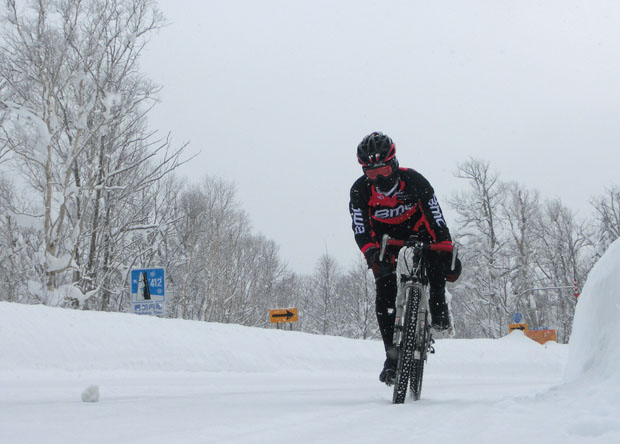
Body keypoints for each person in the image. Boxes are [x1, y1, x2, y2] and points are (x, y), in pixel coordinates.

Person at [349, 131, 461, 385]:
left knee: (434, 261)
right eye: (372, 174)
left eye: (384, 172)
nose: (379, 179)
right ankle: (392, 356)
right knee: (384, 287)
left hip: (419, 230)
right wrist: (370, 253)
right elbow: (360, 228)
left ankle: (437, 301)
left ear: (395, 164)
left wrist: (446, 252)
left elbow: (437, 219)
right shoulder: (360, 191)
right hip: (385, 238)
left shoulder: (415, 181)